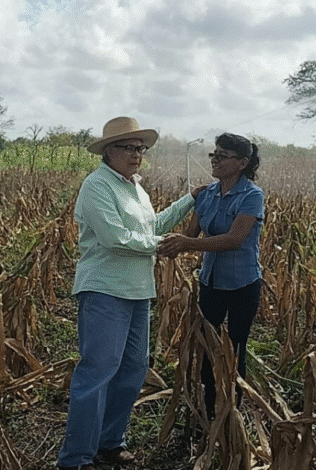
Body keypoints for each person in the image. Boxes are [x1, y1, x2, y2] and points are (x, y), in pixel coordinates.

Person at [56, 116, 205, 470]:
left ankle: (110, 441)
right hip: (105, 290)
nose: (137, 154)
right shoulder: (97, 186)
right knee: (98, 370)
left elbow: (152, 225)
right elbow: (115, 237)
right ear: (109, 151)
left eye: (141, 148)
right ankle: (75, 458)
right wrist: (167, 245)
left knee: (133, 370)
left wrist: (190, 200)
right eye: (129, 147)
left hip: (138, 291)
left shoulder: (136, 188)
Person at [158, 132, 264, 420]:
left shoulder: (252, 196)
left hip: (244, 284)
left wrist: (186, 243)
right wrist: (164, 243)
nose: (214, 160)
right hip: (211, 283)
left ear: (242, 163)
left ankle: (233, 411)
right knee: (207, 343)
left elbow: (234, 239)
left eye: (222, 156)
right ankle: (208, 409)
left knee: (237, 346)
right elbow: (191, 233)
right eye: (213, 155)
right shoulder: (206, 194)